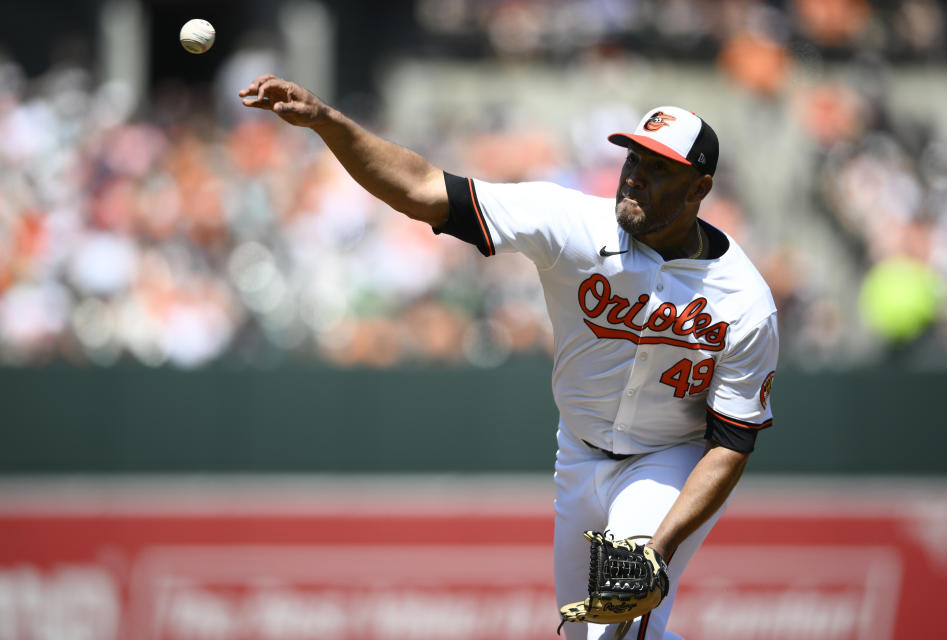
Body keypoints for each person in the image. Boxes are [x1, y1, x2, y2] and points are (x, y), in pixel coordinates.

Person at [239, 75, 779, 640]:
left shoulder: (743, 300)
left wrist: (659, 548)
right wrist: (329, 120)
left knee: (615, 630)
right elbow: (424, 189)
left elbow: (732, 443)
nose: (636, 175)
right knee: (583, 637)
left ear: (700, 188)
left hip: (667, 461)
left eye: (659, 167)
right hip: (577, 450)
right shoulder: (570, 223)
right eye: (633, 157)